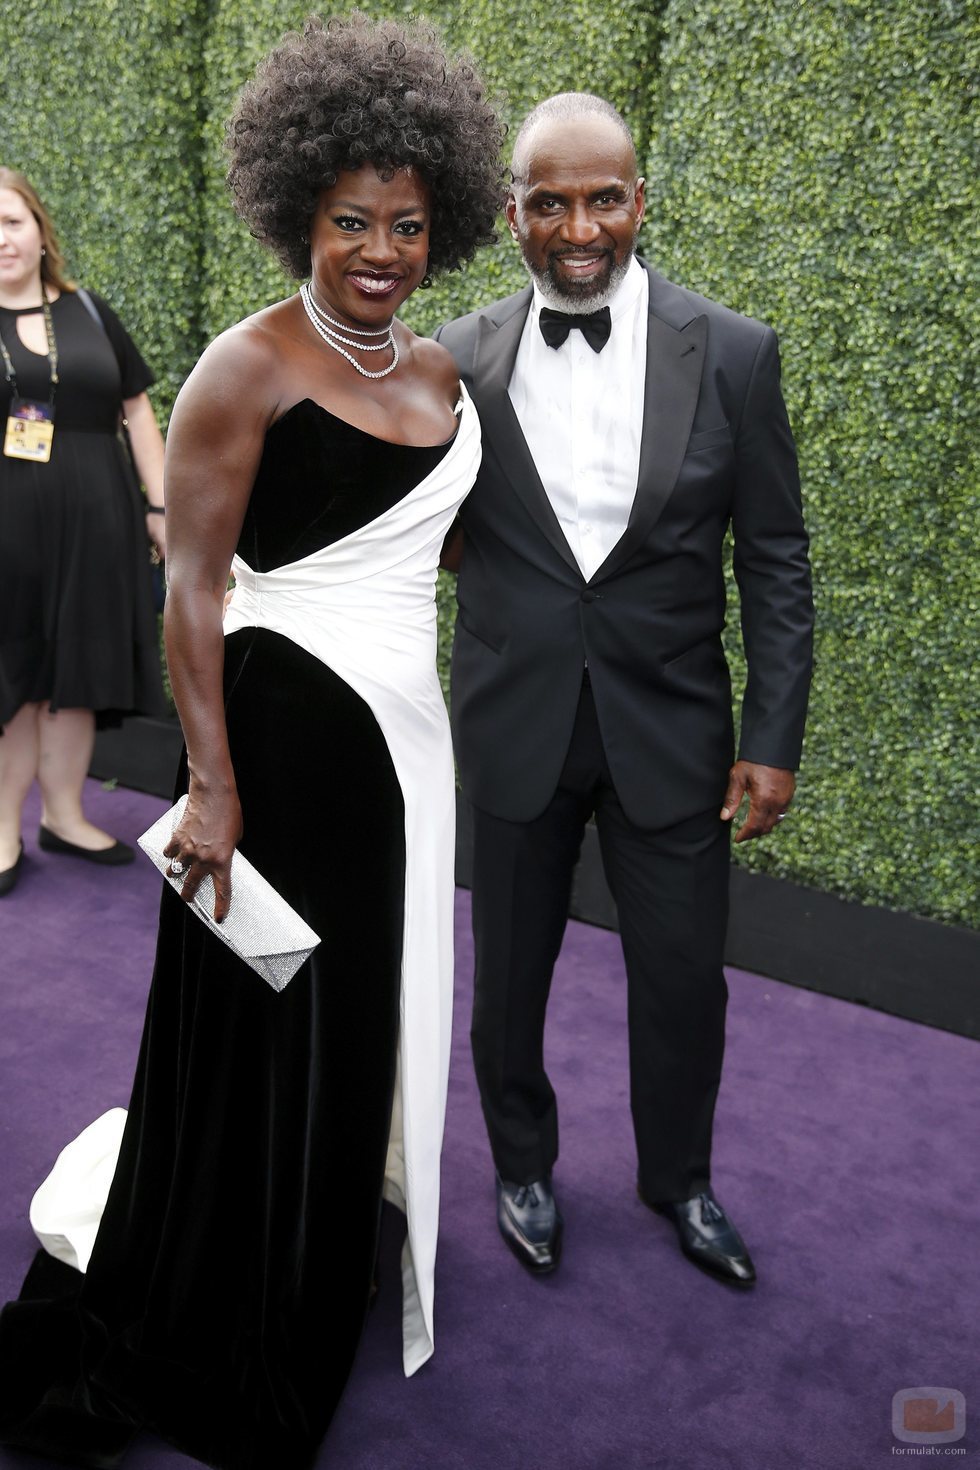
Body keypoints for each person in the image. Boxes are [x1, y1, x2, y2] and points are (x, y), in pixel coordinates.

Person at [0, 16, 502, 1469]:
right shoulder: (246, 364)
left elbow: (425, 538)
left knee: (355, 1015)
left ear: (443, 225)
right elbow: (196, 590)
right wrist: (210, 784)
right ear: (300, 210)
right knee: (263, 1017)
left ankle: (318, 1232)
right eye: (352, 219)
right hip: (270, 760)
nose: (381, 249)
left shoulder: (443, 376)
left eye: (409, 224)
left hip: (399, 760)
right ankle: (230, 1267)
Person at [436, 93, 813, 1285]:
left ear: (638, 200)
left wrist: (772, 737)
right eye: (549, 202)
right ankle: (521, 1166)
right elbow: (417, 530)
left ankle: (679, 1181)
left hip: (675, 732)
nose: (579, 225)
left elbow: (773, 559)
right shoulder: (456, 355)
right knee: (506, 978)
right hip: (511, 723)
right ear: (513, 216)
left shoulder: (735, 353)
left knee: (683, 981)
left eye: (602, 198)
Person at [0, 169, 167, 895]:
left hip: (103, 524)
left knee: (76, 673)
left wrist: (161, 509)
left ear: (40, 228)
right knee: (16, 677)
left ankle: (64, 816)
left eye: (9, 221)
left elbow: (137, 412)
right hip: (9, 535)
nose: (0, 240)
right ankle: (2, 825)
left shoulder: (91, 311)